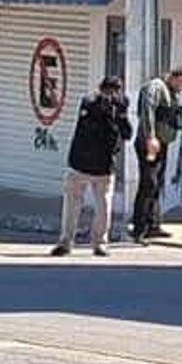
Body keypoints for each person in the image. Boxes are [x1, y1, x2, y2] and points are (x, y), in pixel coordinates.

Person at [51, 76, 133, 257]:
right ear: (101, 90)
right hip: (80, 162)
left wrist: (119, 114)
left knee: (103, 206)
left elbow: (127, 133)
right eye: (108, 92)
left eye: (115, 92)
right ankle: (65, 242)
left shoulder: (120, 106)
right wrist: (104, 109)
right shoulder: (89, 102)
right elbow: (86, 126)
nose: (111, 96)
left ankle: (100, 243)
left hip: (104, 166)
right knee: (72, 204)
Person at [131, 67, 182, 244]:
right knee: (148, 183)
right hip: (149, 144)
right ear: (175, 77)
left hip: (161, 144)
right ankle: (139, 229)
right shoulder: (156, 87)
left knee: (157, 184)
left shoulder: (170, 92)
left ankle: (153, 224)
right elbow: (147, 111)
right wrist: (150, 137)